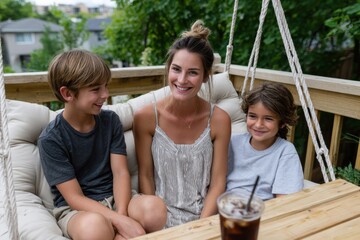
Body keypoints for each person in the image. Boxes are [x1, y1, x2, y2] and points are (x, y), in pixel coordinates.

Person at [38, 49, 166, 240]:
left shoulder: (110, 121)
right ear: (67, 93)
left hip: (118, 199)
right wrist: (120, 222)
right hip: (78, 210)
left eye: (106, 86)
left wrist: (122, 216)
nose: (105, 94)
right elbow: (74, 198)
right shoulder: (51, 139)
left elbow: (120, 172)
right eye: (96, 89)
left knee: (155, 209)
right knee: (94, 228)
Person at [133, 20, 231, 228]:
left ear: (205, 76)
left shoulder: (219, 120)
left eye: (193, 72)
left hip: (205, 219)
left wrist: (200, 227)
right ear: (168, 69)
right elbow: (146, 177)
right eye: (176, 69)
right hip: (160, 218)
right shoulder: (146, 118)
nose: (182, 79)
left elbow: (218, 182)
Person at [227, 82, 304, 200]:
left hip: (261, 213)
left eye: (268, 118)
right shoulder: (232, 142)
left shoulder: (285, 152)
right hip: (225, 209)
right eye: (252, 116)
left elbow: (285, 201)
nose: (258, 125)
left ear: (282, 122)